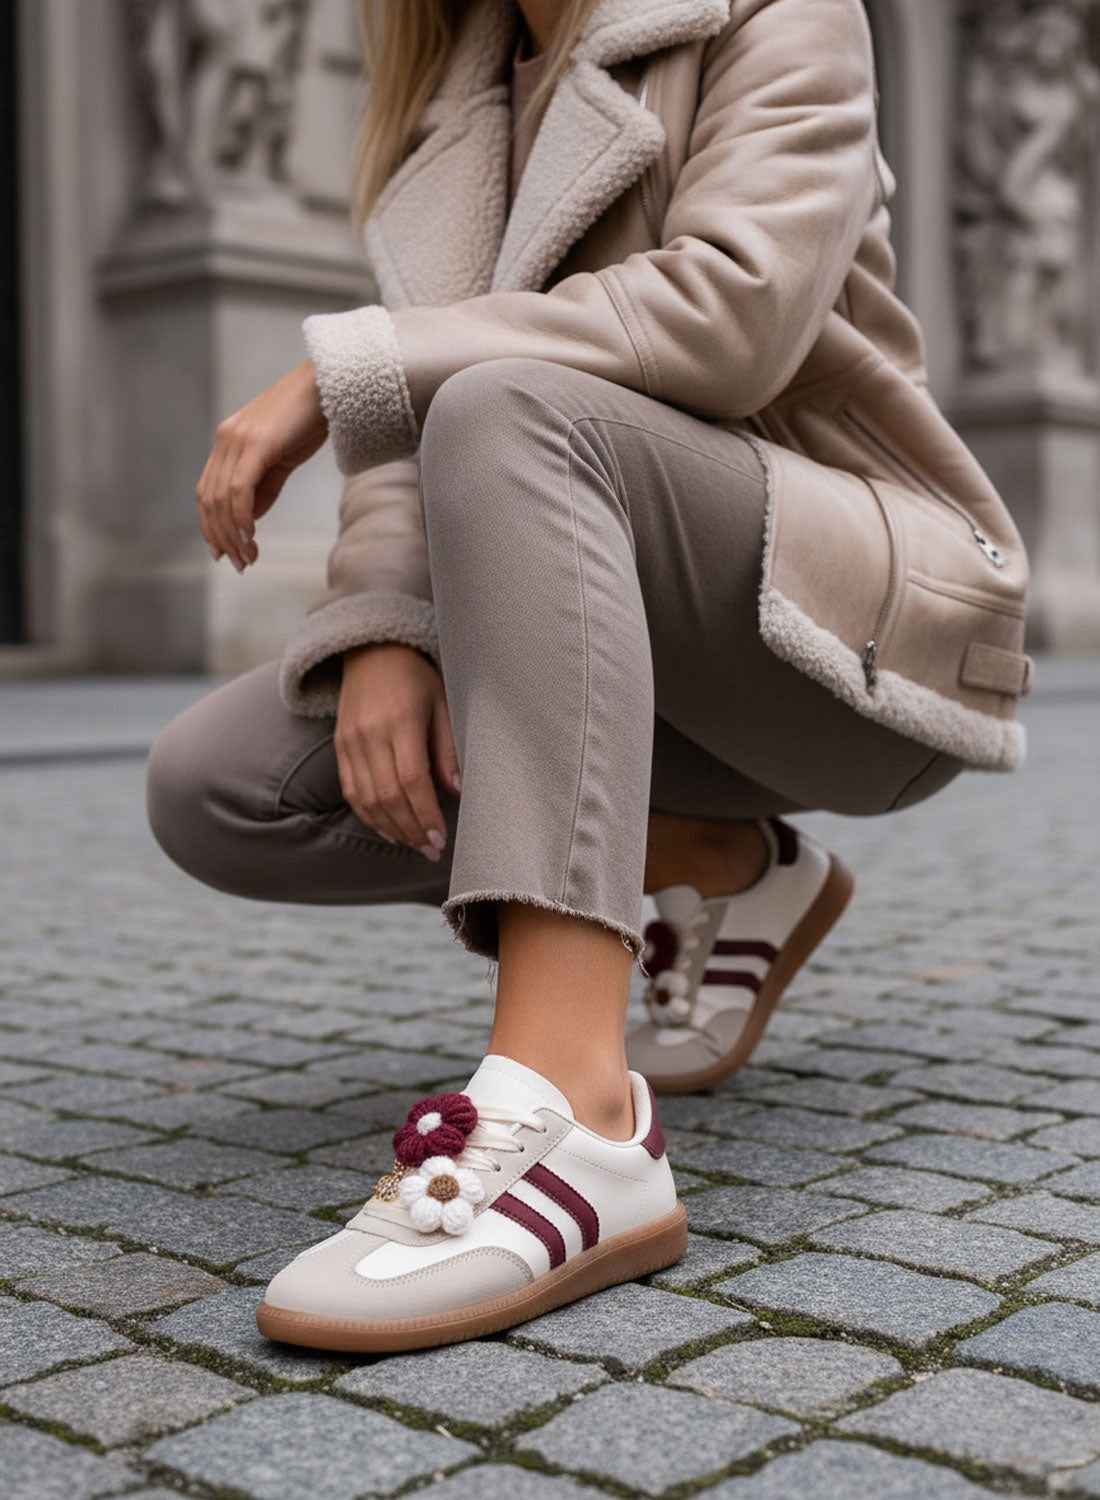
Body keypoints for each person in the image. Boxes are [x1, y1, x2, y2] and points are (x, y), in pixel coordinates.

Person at [146, 0, 1032, 1353]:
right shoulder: (455, 94)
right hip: (595, 610)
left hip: (844, 624)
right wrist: (389, 623)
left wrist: (341, 375)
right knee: (225, 785)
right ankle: (719, 859)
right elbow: (412, 437)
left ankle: (579, 1112)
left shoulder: (774, 12)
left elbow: (730, 314)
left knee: (514, 404)